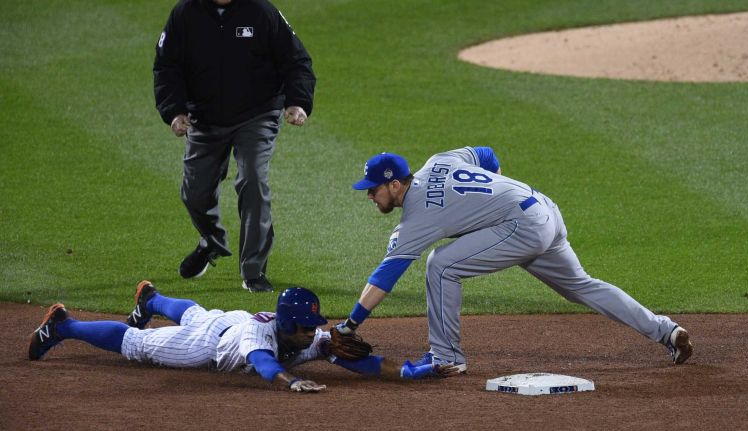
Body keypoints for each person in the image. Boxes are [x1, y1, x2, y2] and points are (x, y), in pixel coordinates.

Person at [333, 147, 694, 372]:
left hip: (523, 227)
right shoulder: (439, 160)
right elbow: (487, 154)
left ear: (396, 185)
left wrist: (350, 325)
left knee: (440, 266)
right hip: (544, 209)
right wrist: (493, 199)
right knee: (583, 286)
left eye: (373, 189)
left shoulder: (418, 215)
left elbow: (384, 278)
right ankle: (666, 330)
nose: (369, 196)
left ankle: (446, 357)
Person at [153, 0, 317, 292]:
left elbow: (297, 61)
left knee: (252, 178)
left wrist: (298, 102)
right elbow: (167, 67)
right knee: (195, 193)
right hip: (203, 117)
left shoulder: (261, 11)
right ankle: (212, 242)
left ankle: (253, 271)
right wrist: (174, 110)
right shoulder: (184, 13)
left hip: (258, 113)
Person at [28, 282, 458, 392]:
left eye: (314, 327)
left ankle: (153, 299)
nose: (314, 335)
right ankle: (62, 324)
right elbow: (266, 364)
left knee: (195, 312)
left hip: (226, 320)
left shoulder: (309, 334)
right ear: (286, 326)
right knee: (137, 345)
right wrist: (291, 381)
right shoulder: (261, 334)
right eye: (306, 329)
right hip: (210, 346)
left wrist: (410, 371)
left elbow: (359, 361)